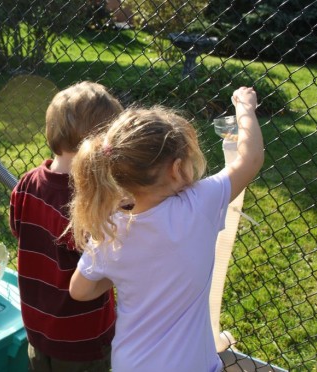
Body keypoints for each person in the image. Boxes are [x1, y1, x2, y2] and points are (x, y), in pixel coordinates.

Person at [68, 87, 264, 371]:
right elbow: (251, 159)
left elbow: (80, 290)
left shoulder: (110, 231)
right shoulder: (199, 204)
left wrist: (124, 272)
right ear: (175, 169)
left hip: (130, 364)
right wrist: (245, 108)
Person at [9, 81, 123, 371]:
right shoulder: (88, 202)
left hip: (37, 327)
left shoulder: (28, 182)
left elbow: (17, 228)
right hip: (82, 341)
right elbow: (104, 267)